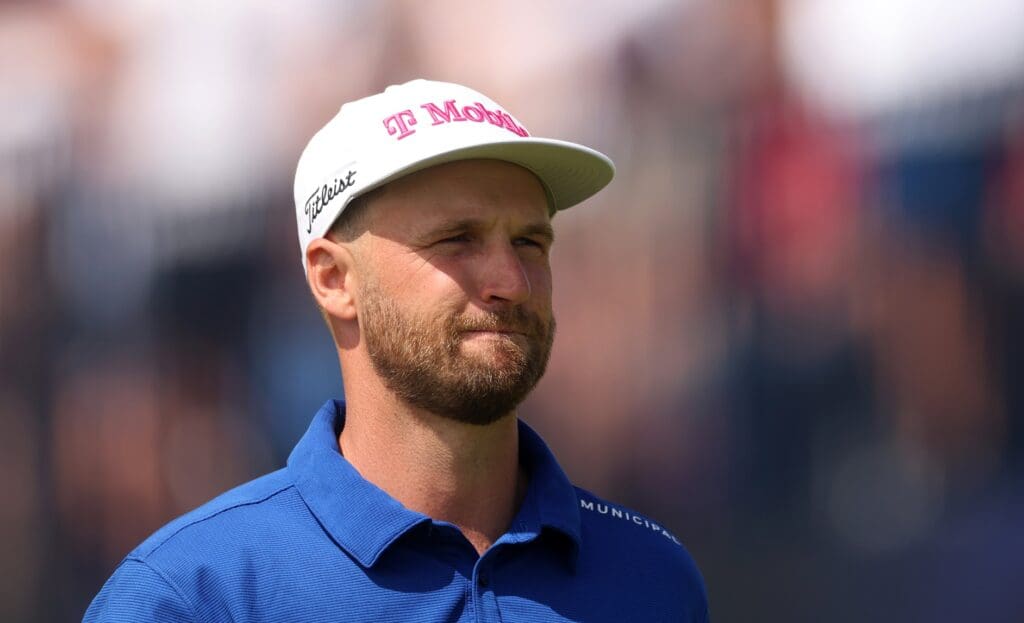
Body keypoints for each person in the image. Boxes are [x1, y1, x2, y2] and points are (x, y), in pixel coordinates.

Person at [84, 79, 709, 622]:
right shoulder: (195, 595)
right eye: (457, 239)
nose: (512, 282)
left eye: (529, 242)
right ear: (334, 279)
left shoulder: (653, 579)